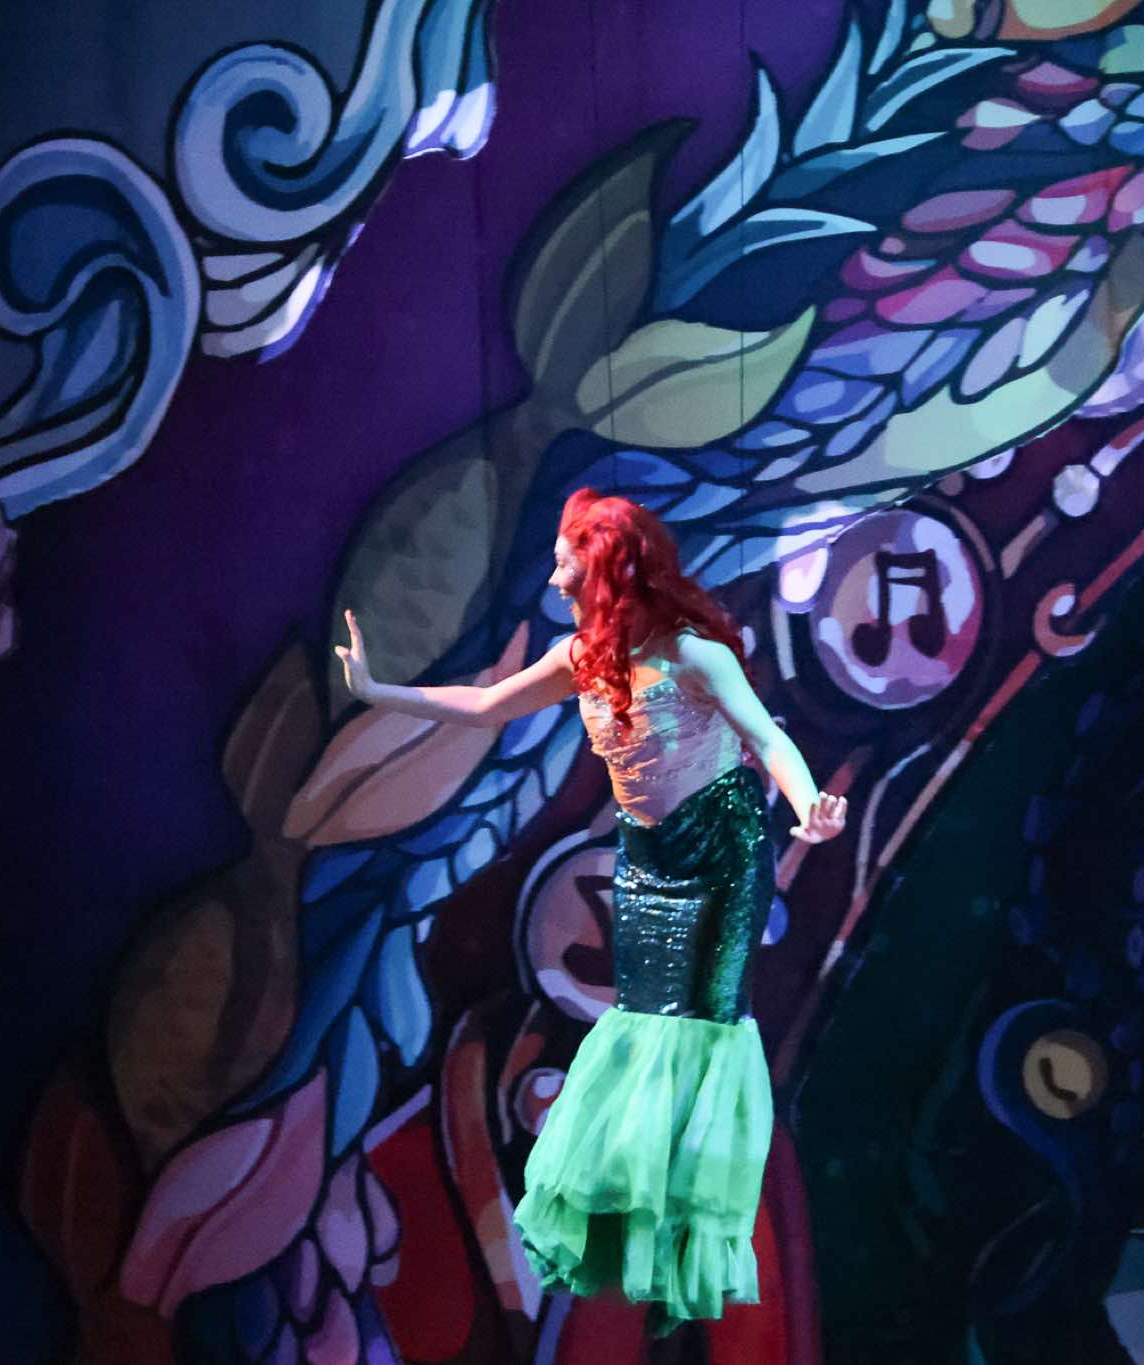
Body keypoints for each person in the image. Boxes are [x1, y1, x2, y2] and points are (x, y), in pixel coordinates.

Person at [335, 487, 846, 1333]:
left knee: (706, 1022)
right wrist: (381, 691)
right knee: (643, 1023)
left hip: (719, 855)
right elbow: (488, 706)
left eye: (566, 559)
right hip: (646, 859)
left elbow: (766, 738)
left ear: (603, 565)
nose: (554, 575)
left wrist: (808, 804)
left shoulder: (691, 655)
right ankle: (635, 1224)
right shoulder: (581, 658)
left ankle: (689, 1230)